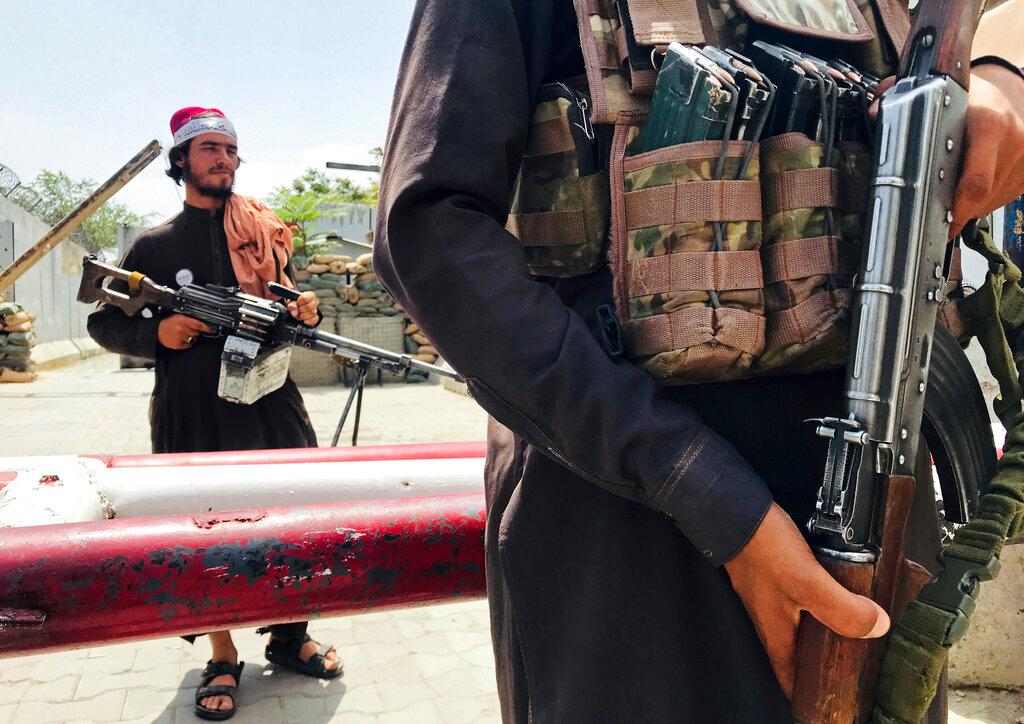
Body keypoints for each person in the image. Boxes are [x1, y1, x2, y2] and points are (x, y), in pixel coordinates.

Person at [373, 1, 1024, 721]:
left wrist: (1003, 79)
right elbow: (430, 235)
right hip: (632, 539)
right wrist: (708, 496)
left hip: (883, 506)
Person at [87, 107, 342, 720]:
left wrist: (304, 313)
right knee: (206, 527)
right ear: (181, 161)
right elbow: (102, 322)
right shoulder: (153, 245)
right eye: (208, 149)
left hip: (270, 401)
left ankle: (288, 637)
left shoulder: (261, 235)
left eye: (230, 149)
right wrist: (159, 335)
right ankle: (222, 653)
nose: (223, 159)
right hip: (193, 411)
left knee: (289, 515)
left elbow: (284, 309)